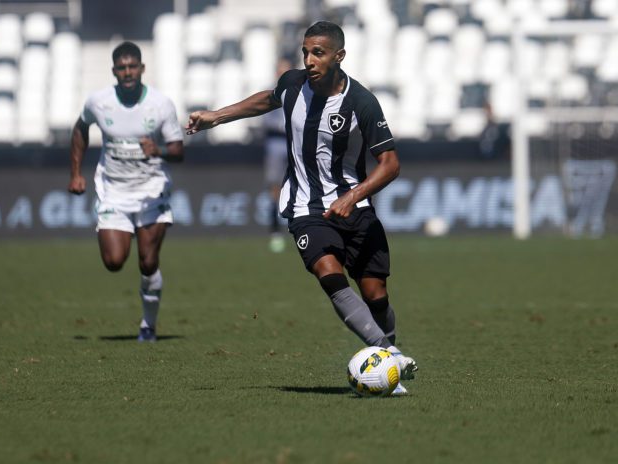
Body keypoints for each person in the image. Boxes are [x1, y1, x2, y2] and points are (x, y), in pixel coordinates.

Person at [187, 21, 418, 393]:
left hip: (353, 206)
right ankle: (388, 352)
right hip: (305, 207)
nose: (309, 60)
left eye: (318, 53)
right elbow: (266, 99)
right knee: (329, 274)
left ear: (339, 56)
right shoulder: (293, 84)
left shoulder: (361, 102)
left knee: (376, 294)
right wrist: (217, 116)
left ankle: (389, 359)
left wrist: (353, 196)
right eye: (305, 52)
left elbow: (390, 164)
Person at [68, 41, 184, 343]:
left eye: (133, 66)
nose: (128, 72)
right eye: (122, 67)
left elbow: (177, 150)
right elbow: (80, 130)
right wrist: (76, 173)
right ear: (114, 71)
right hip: (114, 192)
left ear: (142, 69)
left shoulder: (160, 104)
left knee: (147, 262)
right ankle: (126, 235)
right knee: (114, 262)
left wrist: (157, 150)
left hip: (151, 190)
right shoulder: (99, 102)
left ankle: (148, 325)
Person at [262, 58, 292, 253]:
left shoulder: (299, 92)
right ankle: (275, 232)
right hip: (276, 142)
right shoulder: (270, 92)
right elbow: (266, 120)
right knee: (275, 188)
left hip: (294, 142)